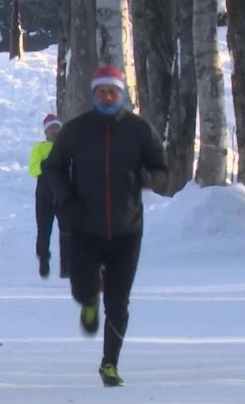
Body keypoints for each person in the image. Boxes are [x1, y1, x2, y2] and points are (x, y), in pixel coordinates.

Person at [45, 64, 168, 387]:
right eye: (102, 91)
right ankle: (88, 300)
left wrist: (151, 178)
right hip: (85, 226)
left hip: (127, 229)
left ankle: (109, 364)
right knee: (83, 288)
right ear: (94, 94)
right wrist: (65, 200)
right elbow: (53, 167)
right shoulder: (77, 130)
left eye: (113, 91)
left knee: (119, 299)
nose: (108, 96)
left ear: (122, 93)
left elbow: (162, 168)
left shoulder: (139, 129)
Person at [28, 114, 70, 279]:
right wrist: (45, 164)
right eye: (51, 128)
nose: (55, 131)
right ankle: (43, 258)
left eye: (57, 127)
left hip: (64, 195)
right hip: (45, 195)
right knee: (44, 230)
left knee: (67, 230)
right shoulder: (39, 148)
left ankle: (66, 265)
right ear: (46, 132)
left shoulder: (68, 147)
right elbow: (33, 170)